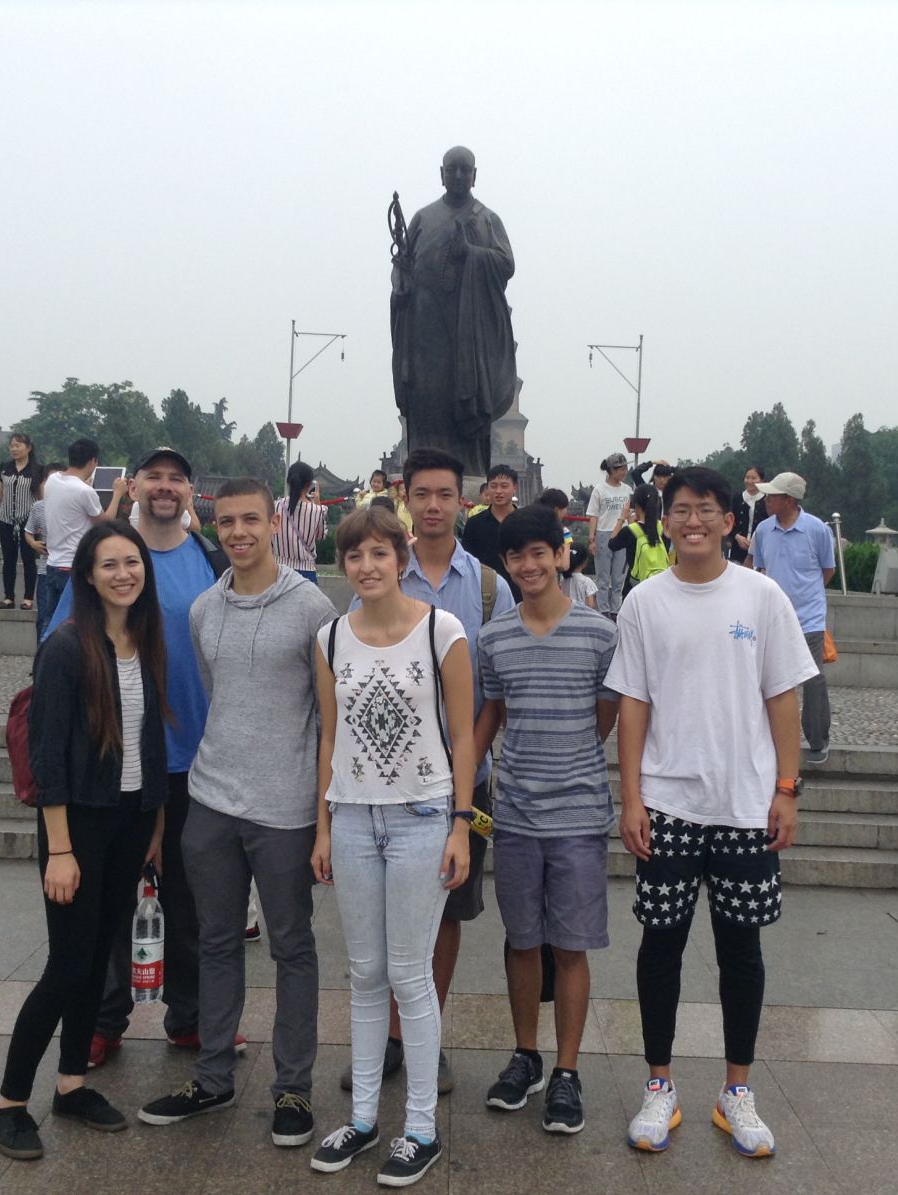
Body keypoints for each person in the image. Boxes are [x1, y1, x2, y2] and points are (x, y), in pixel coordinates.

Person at [607, 466, 816, 1158]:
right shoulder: (644, 602)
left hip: (744, 804)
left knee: (741, 949)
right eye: (681, 509)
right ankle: (659, 1085)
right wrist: (631, 796)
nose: (692, 520)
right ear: (664, 520)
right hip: (668, 801)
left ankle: (737, 1091)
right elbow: (633, 703)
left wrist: (786, 788)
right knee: (660, 944)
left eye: (706, 509)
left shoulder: (761, 596)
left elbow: (783, 697)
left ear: (730, 521)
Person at [139, 476, 335, 1144]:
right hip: (212, 800)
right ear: (213, 524)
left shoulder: (311, 608)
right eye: (226, 522)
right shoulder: (204, 608)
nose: (239, 533)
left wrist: (324, 816)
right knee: (215, 941)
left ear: (273, 521)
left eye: (251, 519)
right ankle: (212, 1076)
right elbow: (217, 691)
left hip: (285, 807)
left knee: (292, 946)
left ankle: (293, 1088)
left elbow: (327, 715)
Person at [0, 523, 170, 1162]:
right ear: (88, 576)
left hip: (129, 819)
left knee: (96, 960)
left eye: (132, 562)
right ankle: (10, 1102)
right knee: (66, 965)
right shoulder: (65, 647)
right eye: (109, 564)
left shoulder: (143, 639)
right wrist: (59, 850)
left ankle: (71, 1084)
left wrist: (154, 823)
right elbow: (48, 756)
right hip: (78, 825)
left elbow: (149, 739)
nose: (124, 574)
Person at [337, 448, 514, 1099]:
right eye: (422, 494)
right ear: (405, 499)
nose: (434, 505)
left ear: (463, 501)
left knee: (445, 914)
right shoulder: (381, 570)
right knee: (380, 923)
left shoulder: (489, 587)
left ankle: (424, 1039)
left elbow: (493, 691)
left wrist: (463, 767)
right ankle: (387, 1039)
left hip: (461, 783)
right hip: (382, 787)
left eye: (445, 494)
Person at [43, 449, 227, 1068]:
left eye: (177, 478)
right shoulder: (111, 557)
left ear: (190, 490)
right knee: (109, 900)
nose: (165, 487)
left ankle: (191, 1015)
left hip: (193, 758)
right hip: (114, 761)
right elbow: (61, 647)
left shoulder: (209, 562)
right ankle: (102, 1019)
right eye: (154, 477)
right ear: (135, 486)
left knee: (191, 898)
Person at [309, 504, 476, 1186]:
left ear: (401, 559)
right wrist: (323, 824)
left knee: (410, 974)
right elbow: (329, 735)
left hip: (422, 815)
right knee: (365, 972)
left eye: (379, 553)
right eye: (355, 555)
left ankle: (421, 1128)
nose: (367, 566)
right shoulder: (330, 638)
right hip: (352, 816)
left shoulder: (442, 630)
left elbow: (463, 734)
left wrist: (461, 823)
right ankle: (363, 1118)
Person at [474, 506, 618, 1135]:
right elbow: (495, 712)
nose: (528, 565)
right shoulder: (494, 637)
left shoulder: (599, 634)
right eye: (516, 556)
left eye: (539, 552)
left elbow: (605, 717)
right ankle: (526, 1055)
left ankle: (567, 1070)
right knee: (522, 939)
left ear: (561, 553)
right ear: (505, 564)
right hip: (515, 813)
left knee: (571, 943)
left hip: (578, 814)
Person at [390, 145, 518, 478]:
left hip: (468, 339)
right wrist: (401, 280)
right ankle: (423, 476)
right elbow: (403, 271)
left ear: (475, 175)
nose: (459, 176)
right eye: (452, 170)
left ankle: (468, 478)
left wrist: (471, 253)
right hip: (425, 336)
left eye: (465, 170)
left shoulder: (487, 219)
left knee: (464, 409)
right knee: (426, 406)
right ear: (441, 174)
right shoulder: (423, 218)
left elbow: (506, 264)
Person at [750, 471, 836, 766]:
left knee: (813, 680)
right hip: (773, 617)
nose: (766, 500)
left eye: (772, 496)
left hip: (809, 617)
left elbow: (827, 570)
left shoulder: (817, 529)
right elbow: (759, 568)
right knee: (767, 679)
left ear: (789, 500)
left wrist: (808, 596)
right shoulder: (763, 530)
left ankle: (818, 738)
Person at [40, 438, 124, 629]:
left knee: (50, 619)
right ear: (93, 461)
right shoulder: (85, 492)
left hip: (53, 563)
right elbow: (105, 523)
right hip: (73, 566)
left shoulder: (52, 481)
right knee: (75, 621)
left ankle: (45, 647)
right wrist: (117, 494)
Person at [0, 432, 45, 611]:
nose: (14, 449)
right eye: (12, 446)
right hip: (6, 519)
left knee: (28, 559)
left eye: (18, 445)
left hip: (29, 521)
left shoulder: (38, 470)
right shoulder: (5, 468)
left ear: (29, 448)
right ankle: (8, 597)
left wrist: (42, 522)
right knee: (9, 559)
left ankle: (28, 598)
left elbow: (42, 498)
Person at [586, 454, 633, 617]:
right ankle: (603, 610)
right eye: (620, 469)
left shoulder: (627, 490)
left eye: (625, 468)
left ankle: (616, 610)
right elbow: (594, 516)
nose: (624, 472)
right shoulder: (599, 490)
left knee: (619, 577)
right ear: (611, 470)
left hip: (623, 534)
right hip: (603, 534)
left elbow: (630, 515)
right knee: (603, 577)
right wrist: (592, 539)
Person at [460, 463, 519, 588]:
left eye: (504, 486)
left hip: (519, 590)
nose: (498, 491)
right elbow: (467, 561)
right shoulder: (474, 524)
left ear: (515, 488)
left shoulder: (525, 523)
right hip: (484, 591)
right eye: (493, 486)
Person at [608, 484, 670, 599]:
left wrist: (622, 518)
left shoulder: (629, 531)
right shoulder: (663, 528)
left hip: (635, 587)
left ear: (636, 505)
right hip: (661, 586)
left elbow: (612, 544)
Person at [22, 465, 62, 644]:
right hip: (45, 569)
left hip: (67, 569)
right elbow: (28, 531)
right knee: (44, 617)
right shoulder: (38, 507)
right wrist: (33, 543)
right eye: (48, 481)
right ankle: (41, 656)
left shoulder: (71, 504)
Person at [274, 461, 326, 584]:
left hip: (277, 570)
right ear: (309, 485)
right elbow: (321, 535)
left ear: (288, 482)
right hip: (306, 572)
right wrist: (317, 502)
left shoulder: (275, 506)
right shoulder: (318, 511)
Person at [728, 466, 765, 564]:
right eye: (747, 477)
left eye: (753, 478)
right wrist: (737, 537)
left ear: (762, 481)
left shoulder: (767, 500)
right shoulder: (737, 498)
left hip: (760, 552)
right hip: (738, 551)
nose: (749, 481)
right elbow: (728, 522)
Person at [560, 541, 599, 610]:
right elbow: (591, 605)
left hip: (566, 613)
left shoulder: (563, 579)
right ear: (585, 562)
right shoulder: (587, 581)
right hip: (582, 614)